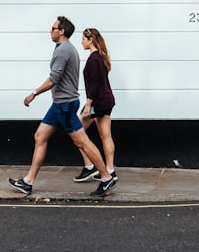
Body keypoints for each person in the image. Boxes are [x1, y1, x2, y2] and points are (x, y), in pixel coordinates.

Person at [8, 16, 117, 197]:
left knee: (81, 140)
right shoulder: (66, 49)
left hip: (64, 105)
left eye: (53, 28)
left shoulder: (64, 51)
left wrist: (34, 93)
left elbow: (54, 78)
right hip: (59, 104)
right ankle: (28, 182)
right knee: (40, 136)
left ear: (62, 31)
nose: (50, 31)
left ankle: (106, 177)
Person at [73, 27, 117, 182]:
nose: (81, 41)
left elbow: (95, 84)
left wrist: (88, 104)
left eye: (84, 39)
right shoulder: (101, 57)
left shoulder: (94, 59)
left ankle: (89, 166)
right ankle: (110, 170)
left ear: (91, 40)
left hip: (97, 102)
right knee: (106, 135)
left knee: (77, 132)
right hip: (106, 100)